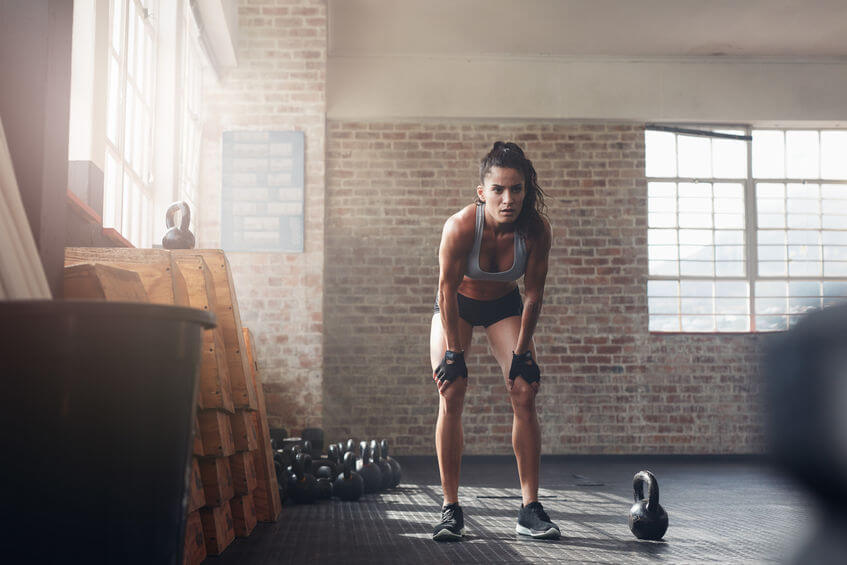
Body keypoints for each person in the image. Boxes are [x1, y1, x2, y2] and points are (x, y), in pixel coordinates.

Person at [430, 141, 558, 541]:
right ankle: (451, 508)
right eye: (499, 190)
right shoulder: (461, 226)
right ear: (482, 192)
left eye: (516, 189)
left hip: (504, 305)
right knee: (451, 390)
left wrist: (522, 355)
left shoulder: (535, 231)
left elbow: (533, 295)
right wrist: (454, 351)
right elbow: (447, 291)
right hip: (457, 306)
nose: (508, 199)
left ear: (525, 191)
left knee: (524, 390)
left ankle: (529, 508)